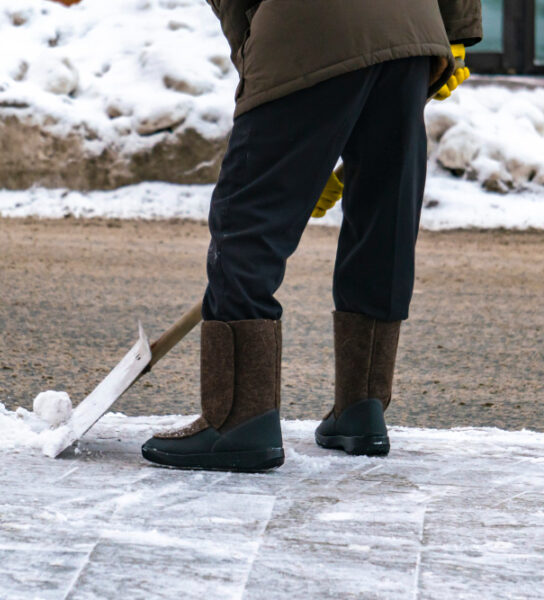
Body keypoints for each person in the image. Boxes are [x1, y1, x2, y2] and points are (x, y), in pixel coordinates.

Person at [142, 0, 482, 471]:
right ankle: (361, 410)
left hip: (308, 22)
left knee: (248, 212)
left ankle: (238, 420)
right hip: (414, 30)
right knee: (382, 215)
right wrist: (455, 33)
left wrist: (268, 80)